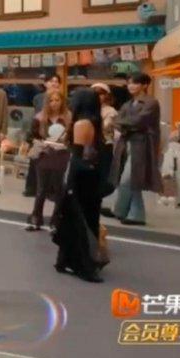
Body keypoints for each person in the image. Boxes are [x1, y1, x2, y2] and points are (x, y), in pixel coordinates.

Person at [52, 88, 111, 283]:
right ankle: (68, 261)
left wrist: (68, 183)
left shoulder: (81, 124)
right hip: (92, 175)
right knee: (87, 218)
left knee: (76, 220)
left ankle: (81, 264)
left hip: (79, 176)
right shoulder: (95, 122)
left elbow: (76, 157)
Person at [102, 73, 162, 226]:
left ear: (145, 85)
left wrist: (121, 124)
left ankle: (125, 211)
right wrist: (121, 124)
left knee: (128, 179)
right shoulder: (128, 103)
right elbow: (119, 121)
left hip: (142, 144)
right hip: (126, 143)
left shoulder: (151, 103)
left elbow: (138, 121)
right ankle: (129, 213)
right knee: (130, 179)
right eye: (129, 83)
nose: (131, 86)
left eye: (135, 83)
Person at [26, 91, 72, 231]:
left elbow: (72, 138)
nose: (54, 103)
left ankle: (56, 221)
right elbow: (30, 136)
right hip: (44, 154)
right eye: (51, 100)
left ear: (62, 101)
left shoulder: (68, 117)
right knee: (41, 189)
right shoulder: (40, 117)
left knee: (58, 189)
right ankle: (36, 218)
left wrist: (65, 144)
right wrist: (41, 142)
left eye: (57, 100)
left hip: (61, 154)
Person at [26, 74, 62, 196]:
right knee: (35, 159)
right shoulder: (38, 98)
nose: (54, 83)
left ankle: (49, 190)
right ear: (46, 83)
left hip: (54, 132)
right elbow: (35, 115)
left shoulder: (63, 98)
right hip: (39, 131)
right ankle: (31, 188)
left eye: (56, 81)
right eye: (51, 81)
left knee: (52, 161)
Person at [91, 83, 119, 147]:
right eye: (94, 94)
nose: (97, 96)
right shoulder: (87, 109)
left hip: (105, 143)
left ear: (107, 95)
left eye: (100, 94)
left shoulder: (111, 111)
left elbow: (106, 126)